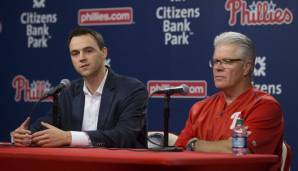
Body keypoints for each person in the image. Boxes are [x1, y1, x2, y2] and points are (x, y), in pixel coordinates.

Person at [11, 28, 148, 148]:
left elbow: (125, 135)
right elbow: (43, 127)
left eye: (88, 51)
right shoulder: (68, 92)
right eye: (75, 53)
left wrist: (69, 137)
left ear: (104, 52)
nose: (81, 58)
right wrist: (24, 136)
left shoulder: (132, 90)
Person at [175, 32, 284, 156]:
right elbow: (180, 149)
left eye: (227, 61)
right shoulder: (199, 108)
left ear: (246, 67)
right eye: (215, 61)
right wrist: (227, 144)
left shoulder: (265, 106)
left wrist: (194, 144)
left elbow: (240, 150)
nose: (218, 67)